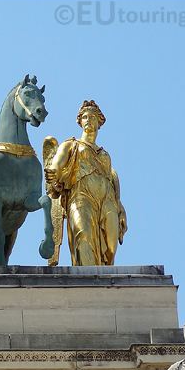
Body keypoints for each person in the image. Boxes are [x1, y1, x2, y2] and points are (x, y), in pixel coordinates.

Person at [44, 100, 127, 265]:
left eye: (93, 117)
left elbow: (111, 180)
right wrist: (53, 174)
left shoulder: (104, 154)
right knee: (83, 238)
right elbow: (57, 165)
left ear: (99, 122)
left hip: (108, 200)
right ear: (80, 121)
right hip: (81, 197)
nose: (89, 120)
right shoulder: (71, 144)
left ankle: (106, 286)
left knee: (110, 250)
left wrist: (121, 209)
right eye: (85, 117)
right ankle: (87, 285)